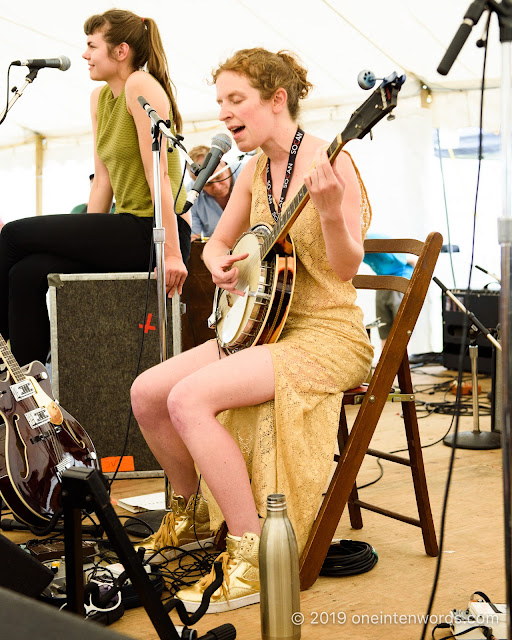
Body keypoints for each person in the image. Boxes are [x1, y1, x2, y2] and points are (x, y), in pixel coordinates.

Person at [130, 47, 374, 613]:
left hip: (326, 334)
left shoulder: (330, 162)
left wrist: (332, 211)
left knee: (190, 399)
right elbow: (219, 242)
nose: (224, 114)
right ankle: (190, 514)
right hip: (264, 327)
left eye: (236, 101)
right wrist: (217, 260)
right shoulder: (254, 170)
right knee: (148, 393)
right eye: (220, 103)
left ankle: (254, 557)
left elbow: (344, 269)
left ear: (276, 100)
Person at [0, 9, 191, 367]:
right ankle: (28, 381)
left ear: (120, 51)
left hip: (155, 232)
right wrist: (82, 246)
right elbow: (102, 182)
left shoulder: (140, 85)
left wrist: (173, 254)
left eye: (91, 46)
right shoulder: (99, 100)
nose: (84, 55)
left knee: (12, 235)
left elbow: (159, 174)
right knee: (25, 272)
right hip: (125, 229)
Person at [363, 232, 417, 347]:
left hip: (400, 279)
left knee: (402, 326)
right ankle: (386, 361)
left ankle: (402, 361)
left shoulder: (377, 243)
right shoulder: (359, 250)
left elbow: (411, 259)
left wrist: (415, 285)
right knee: (384, 325)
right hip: (382, 281)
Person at [187, 145, 238, 241]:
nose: (217, 187)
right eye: (207, 184)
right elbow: (193, 239)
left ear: (224, 164)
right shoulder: (190, 196)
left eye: (219, 177)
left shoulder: (249, 172)